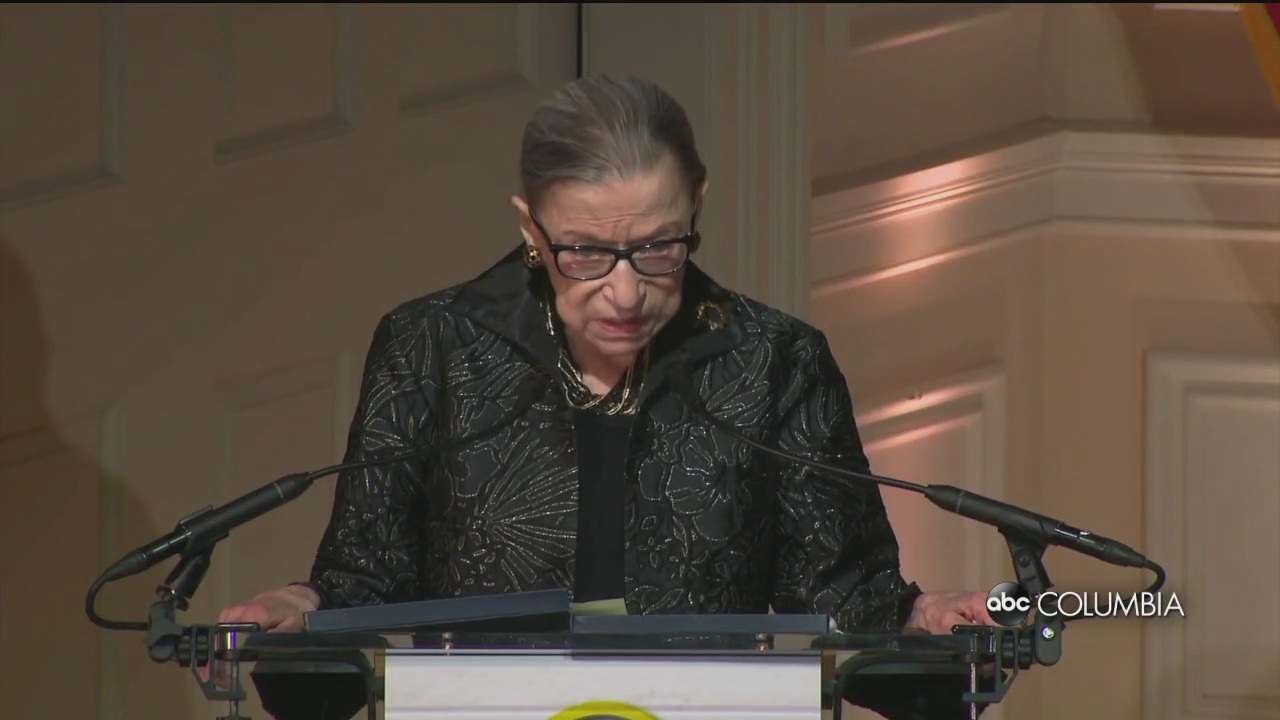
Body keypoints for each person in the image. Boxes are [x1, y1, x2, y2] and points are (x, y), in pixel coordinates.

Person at [219, 73, 996, 663]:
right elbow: (366, 583)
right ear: (531, 229)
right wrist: (301, 610)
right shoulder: (434, 348)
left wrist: (920, 620)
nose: (625, 292)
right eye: (585, 252)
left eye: (658, 247)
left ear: (696, 207)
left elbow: (844, 593)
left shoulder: (773, 361)